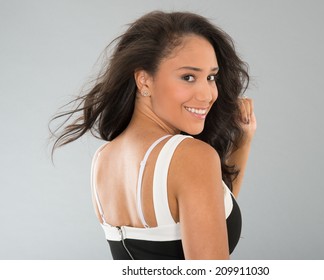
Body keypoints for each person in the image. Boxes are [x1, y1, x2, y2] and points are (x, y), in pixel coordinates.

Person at [50, 10, 256, 260]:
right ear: (144, 81)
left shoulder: (103, 159)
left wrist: (243, 141)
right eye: (188, 77)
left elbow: (211, 207)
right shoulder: (191, 157)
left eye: (211, 77)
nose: (207, 95)